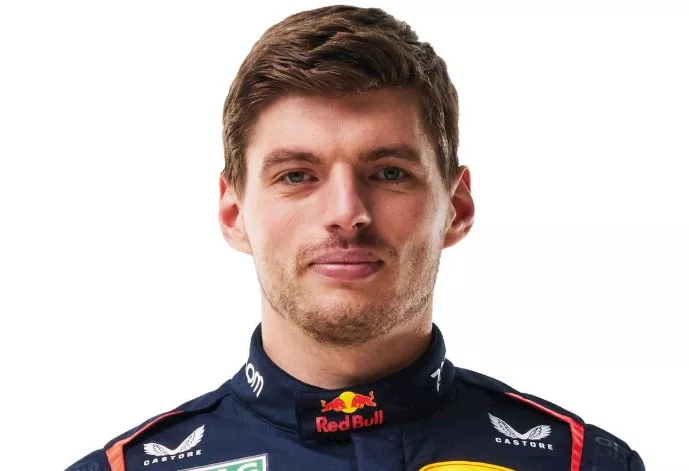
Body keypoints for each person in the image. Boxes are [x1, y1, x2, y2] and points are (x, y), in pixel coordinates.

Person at [66, 5, 644, 471]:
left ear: (457, 207)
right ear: (234, 212)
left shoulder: (581, 463)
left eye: (389, 172)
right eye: (297, 176)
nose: (346, 213)